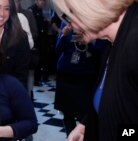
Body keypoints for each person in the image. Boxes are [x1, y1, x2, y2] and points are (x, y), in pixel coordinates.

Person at [52, 0, 138, 141]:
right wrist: (85, 126)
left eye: (72, 14)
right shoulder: (110, 44)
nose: (72, 25)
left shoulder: (134, 41)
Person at [54, 22, 108, 137]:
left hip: (85, 77)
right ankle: (70, 136)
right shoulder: (67, 23)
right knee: (67, 113)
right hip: (65, 74)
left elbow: (102, 52)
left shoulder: (95, 23)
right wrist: (63, 35)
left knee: (84, 114)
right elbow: (58, 50)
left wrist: (88, 42)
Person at [0, 0, 31, 89]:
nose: (2, 13)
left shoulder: (20, 37)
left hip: (10, 95)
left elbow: (22, 76)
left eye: (7, 9)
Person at [29, 0, 50, 85]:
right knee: (35, 60)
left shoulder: (41, 11)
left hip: (42, 39)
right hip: (35, 40)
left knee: (42, 59)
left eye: (44, 1)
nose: (43, 3)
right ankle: (35, 80)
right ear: (36, 1)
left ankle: (39, 78)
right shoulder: (31, 10)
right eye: (41, 1)